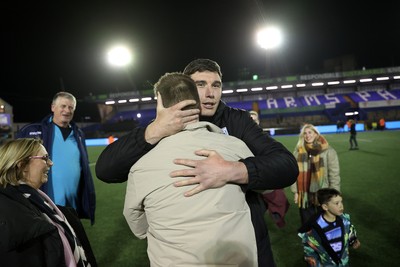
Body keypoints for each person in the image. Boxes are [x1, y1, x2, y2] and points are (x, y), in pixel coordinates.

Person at [96, 58, 299, 266]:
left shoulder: (236, 121)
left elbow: (287, 166)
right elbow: (106, 170)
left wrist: (233, 170)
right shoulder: (163, 127)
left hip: (248, 243)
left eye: (216, 85)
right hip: (184, 250)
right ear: (188, 89)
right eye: (200, 85)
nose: (210, 93)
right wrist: (154, 130)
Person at [124, 72, 258, 266]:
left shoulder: (140, 166)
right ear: (197, 102)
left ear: (160, 103)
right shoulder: (236, 146)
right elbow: (265, 185)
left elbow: (137, 225)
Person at [0, 138, 97, 267]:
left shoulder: (37, 201)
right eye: (44, 158)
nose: (50, 163)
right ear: (22, 165)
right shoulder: (11, 216)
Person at [16, 91, 96, 224]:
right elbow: (16, 163)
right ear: (53, 107)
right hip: (45, 203)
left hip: (73, 205)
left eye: (71, 107)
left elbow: (84, 166)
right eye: (63, 106)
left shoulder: (79, 134)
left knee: (72, 239)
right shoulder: (33, 130)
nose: (67, 110)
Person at [290, 123, 340, 226]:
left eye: (310, 132)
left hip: (323, 193)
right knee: (307, 224)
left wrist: (335, 194)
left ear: (316, 134)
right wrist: (296, 192)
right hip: (304, 195)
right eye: (305, 133)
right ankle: (309, 242)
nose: (308, 135)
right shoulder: (297, 152)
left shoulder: (328, 151)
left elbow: (334, 175)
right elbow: (294, 174)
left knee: (325, 224)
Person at [298, 188, 361, 266]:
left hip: (344, 263)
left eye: (341, 202)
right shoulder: (314, 229)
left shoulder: (344, 220)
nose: (341, 206)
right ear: (325, 207)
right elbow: (309, 251)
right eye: (337, 203)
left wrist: (353, 240)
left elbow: (350, 229)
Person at [249, 110, 290, 228]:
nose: (253, 122)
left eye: (255, 120)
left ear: (259, 121)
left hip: (264, 179)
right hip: (250, 181)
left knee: (271, 203)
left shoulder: (265, 138)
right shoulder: (239, 137)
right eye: (250, 120)